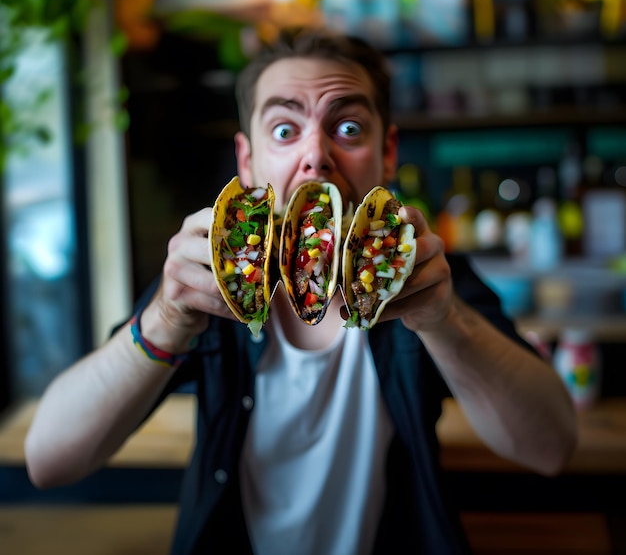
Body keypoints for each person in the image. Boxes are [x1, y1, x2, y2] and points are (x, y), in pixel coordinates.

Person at [24, 28, 577, 554]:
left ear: (388, 153)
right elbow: (49, 459)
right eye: (285, 130)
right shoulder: (207, 283)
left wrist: (444, 319)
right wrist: (166, 317)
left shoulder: (432, 277)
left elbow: (551, 449)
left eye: (349, 128)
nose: (316, 153)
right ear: (249, 161)